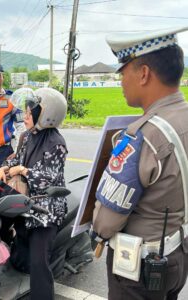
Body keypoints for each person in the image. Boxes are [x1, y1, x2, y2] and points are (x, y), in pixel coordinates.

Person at [91, 26, 188, 300]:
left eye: (123, 72)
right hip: (177, 256)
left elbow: (107, 222)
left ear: (143, 73)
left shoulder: (142, 136)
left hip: (140, 269)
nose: (121, 81)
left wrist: (96, 229)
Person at [0, 87, 68, 300]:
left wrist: (23, 171)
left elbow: (51, 177)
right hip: (24, 202)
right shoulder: (26, 136)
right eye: (25, 111)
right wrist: (5, 167)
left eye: (30, 112)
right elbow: (16, 158)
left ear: (45, 115)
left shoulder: (57, 143)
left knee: (38, 264)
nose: (25, 116)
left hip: (45, 210)